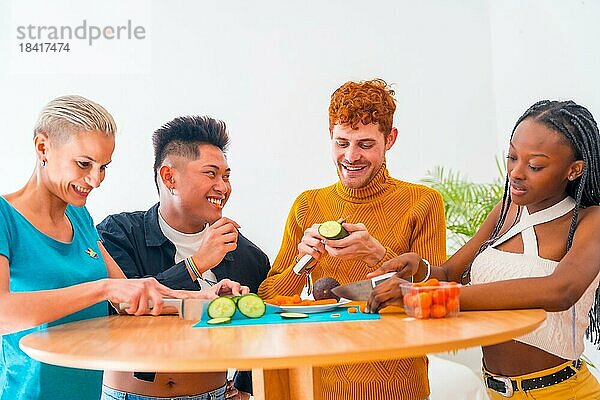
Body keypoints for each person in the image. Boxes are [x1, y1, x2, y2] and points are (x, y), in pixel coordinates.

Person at [0, 96, 247, 400]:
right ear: (42, 148)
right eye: (84, 164)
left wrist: (202, 297)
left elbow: (129, 295)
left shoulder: (79, 217)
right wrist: (102, 289)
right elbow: (3, 314)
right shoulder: (4, 216)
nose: (95, 179)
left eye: (103, 167)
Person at [368, 100, 600, 399]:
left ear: (574, 169)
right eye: (512, 157)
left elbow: (560, 290)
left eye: (535, 165)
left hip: (562, 392)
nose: (516, 172)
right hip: (494, 392)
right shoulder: (505, 211)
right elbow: (452, 274)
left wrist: (429, 297)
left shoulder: (590, 220)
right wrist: (420, 270)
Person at [258, 79, 447, 400]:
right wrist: (301, 265)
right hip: (320, 383)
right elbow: (268, 299)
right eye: (341, 142)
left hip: (399, 386)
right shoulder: (308, 204)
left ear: (390, 140)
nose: (351, 156)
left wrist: (377, 254)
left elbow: (436, 298)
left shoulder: (423, 202)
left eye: (365, 144)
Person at [97, 115, 270, 400]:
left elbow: (261, 324)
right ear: (169, 177)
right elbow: (117, 309)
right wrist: (196, 264)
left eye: (226, 176)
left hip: (213, 394)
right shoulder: (119, 233)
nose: (223, 187)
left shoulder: (244, 253)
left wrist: (244, 386)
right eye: (211, 174)